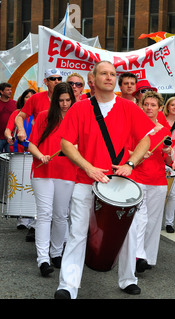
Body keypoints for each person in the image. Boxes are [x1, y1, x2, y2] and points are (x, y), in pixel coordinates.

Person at [54, 61, 154, 299]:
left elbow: (146, 140)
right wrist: (88, 168)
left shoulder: (129, 108)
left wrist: (131, 164)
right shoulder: (79, 108)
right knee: (78, 232)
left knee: (128, 233)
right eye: (104, 73)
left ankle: (128, 278)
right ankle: (68, 285)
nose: (109, 77)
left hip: (120, 183)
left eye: (112, 74)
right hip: (85, 180)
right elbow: (66, 144)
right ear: (93, 79)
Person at [27, 82, 77, 277]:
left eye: (68, 100)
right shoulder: (43, 117)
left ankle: (56, 253)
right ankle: (43, 259)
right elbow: (32, 144)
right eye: (61, 100)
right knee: (45, 214)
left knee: (60, 215)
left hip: (67, 173)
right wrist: (40, 156)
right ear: (55, 100)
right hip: (43, 172)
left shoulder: (77, 119)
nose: (65, 104)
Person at [131, 90, 173, 273]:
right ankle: (136, 255)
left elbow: (168, 158)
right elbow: (125, 150)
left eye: (153, 105)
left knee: (153, 221)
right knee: (140, 219)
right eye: (146, 104)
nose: (149, 108)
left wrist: (169, 151)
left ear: (160, 108)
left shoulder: (164, 130)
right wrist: (137, 155)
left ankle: (146, 257)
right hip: (138, 176)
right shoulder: (134, 126)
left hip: (158, 178)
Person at [4, 88, 36, 232]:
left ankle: (32, 217)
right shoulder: (16, 114)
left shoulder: (39, 114)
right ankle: (21, 217)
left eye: (32, 97)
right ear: (22, 99)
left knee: (32, 185)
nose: (28, 99)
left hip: (35, 154)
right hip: (19, 153)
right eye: (26, 97)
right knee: (20, 185)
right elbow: (8, 129)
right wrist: (9, 137)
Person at [16, 69, 62, 142]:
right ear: (46, 82)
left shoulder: (67, 99)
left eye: (59, 79)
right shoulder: (36, 98)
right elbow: (20, 116)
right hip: (39, 143)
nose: (56, 81)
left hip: (60, 145)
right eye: (52, 79)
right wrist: (21, 130)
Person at [162, 96, 175, 233]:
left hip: (172, 160)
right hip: (157, 159)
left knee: (172, 194)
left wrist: (174, 161)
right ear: (168, 107)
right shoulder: (160, 121)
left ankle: (169, 222)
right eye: (172, 105)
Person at [0, 83, 17, 152]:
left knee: (9, 160)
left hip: (11, 137)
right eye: (7, 90)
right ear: (1, 92)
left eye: (10, 90)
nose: (10, 91)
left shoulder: (15, 104)